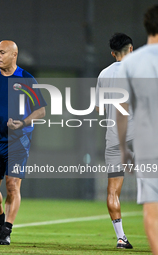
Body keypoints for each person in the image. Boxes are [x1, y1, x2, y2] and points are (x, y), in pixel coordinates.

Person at [0, 40, 46, 245]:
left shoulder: (26, 79)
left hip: (18, 141)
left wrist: (23, 122)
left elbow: (41, 111)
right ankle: (0, 221)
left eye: (2, 52)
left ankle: (6, 231)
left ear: (14, 55)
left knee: (12, 185)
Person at [117, 5, 158, 255]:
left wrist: (123, 149)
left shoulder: (131, 63)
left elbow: (123, 110)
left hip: (147, 146)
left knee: (152, 210)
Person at [95, 33, 134, 249]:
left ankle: (121, 237)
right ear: (131, 49)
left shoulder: (103, 74)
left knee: (112, 191)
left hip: (114, 139)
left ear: (112, 53)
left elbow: (100, 108)